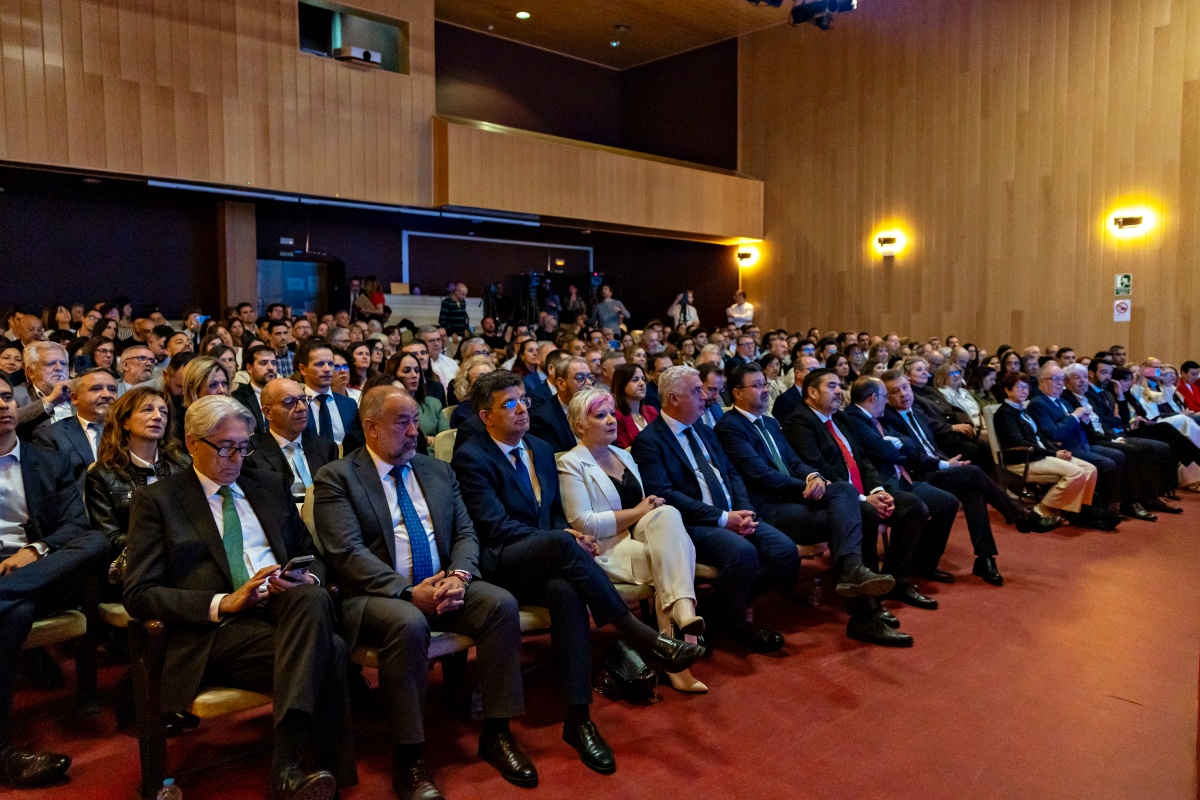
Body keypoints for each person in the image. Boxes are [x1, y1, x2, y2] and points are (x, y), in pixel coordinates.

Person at [452, 370, 702, 775]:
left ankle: (579, 719)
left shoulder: (539, 447)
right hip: (501, 561)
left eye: (523, 400)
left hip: (546, 557)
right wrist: (564, 537)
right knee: (562, 543)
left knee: (567, 594)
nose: (522, 409)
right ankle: (640, 634)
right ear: (485, 416)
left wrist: (567, 535)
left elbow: (552, 513)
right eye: (509, 404)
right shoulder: (471, 457)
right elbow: (493, 526)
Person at [124, 395, 357, 799]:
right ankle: (307, 770)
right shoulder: (159, 500)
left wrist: (306, 577)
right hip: (218, 631)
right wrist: (224, 602)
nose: (236, 458)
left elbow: (310, 553)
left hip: (283, 610)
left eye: (244, 446)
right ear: (193, 442)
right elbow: (139, 593)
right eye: (225, 447)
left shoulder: (267, 485)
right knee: (331, 650)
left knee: (312, 598)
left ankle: (286, 772)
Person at [315, 386, 534, 798]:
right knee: (408, 623)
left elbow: (466, 532)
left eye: (416, 421)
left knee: (500, 604)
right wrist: (406, 591)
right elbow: (347, 554)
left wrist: (460, 576)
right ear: (371, 427)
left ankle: (497, 732)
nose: (415, 431)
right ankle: (410, 758)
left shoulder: (437, 471)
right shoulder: (337, 477)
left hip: (443, 584)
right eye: (403, 423)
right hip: (377, 597)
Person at [714, 364, 904, 647]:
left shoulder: (769, 423)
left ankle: (857, 584)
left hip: (793, 500)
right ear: (737, 393)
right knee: (854, 515)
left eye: (765, 384)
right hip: (769, 509)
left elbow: (793, 461)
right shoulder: (729, 427)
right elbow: (761, 475)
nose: (764, 390)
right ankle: (864, 612)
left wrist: (814, 477)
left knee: (849, 496)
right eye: (757, 385)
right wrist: (806, 486)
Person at [631, 366, 799, 653]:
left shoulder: (705, 430)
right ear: (673, 398)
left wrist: (745, 511)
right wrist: (722, 518)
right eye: (697, 391)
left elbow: (731, 473)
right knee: (742, 553)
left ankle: (721, 610)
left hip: (733, 514)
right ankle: (737, 625)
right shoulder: (649, 441)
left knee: (785, 552)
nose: (707, 396)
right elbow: (665, 495)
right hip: (693, 524)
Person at [0, 376, 110, 789]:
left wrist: (37, 549)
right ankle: (4, 754)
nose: (3, 405)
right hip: (17, 590)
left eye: (6, 396)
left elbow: (75, 526)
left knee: (96, 541)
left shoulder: (47, 460)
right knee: (15, 615)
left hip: (39, 567)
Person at [558, 388, 707, 691]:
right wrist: (639, 510)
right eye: (600, 415)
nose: (611, 420)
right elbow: (583, 522)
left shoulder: (623, 454)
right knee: (672, 560)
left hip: (637, 536)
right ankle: (680, 646)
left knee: (667, 514)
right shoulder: (570, 463)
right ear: (579, 426)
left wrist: (648, 505)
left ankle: (680, 627)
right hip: (605, 548)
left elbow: (640, 505)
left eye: (612, 413)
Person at [876, 371, 1062, 583]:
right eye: (895, 391)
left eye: (905, 387)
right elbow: (910, 457)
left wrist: (946, 462)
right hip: (917, 476)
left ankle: (985, 558)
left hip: (937, 468)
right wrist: (945, 464)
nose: (903, 394)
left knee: (973, 492)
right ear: (886, 397)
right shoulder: (886, 419)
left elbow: (933, 443)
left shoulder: (916, 411)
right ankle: (1020, 517)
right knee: (973, 473)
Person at [781, 369, 936, 614]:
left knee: (913, 506)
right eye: (832, 386)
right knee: (867, 513)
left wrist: (877, 490)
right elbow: (818, 468)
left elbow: (862, 458)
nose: (839, 391)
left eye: (840, 385)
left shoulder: (840, 418)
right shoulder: (799, 423)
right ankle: (867, 598)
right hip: (832, 498)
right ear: (812, 392)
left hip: (864, 492)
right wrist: (863, 498)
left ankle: (896, 580)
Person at [85, 386, 191, 594]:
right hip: (137, 564)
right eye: (147, 410)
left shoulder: (183, 465)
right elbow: (110, 538)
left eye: (163, 412)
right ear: (125, 421)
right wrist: (164, 537)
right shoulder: (102, 474)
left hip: (185, 555)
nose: (157, 417)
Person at [1059, 364, 1180, 516]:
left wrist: (1120, 402)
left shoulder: (1091, 396)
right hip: (1094, 440)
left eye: (1084, 377)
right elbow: (1092, 428)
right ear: (1066, 381)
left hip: (1111, 433)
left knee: (1155, 448)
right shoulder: (1067, 399)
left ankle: (1151, 496)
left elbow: (1120, 419)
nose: (1083, 381)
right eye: (1077, 377)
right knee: (1130, 451)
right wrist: (1113, 438)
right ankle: (1131, 502)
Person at [991, 372, 1108, 527]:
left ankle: (1080, 511)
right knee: (1076, 473)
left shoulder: (1021, 410)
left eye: (1026, 387)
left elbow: (1039, 436)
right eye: (1019, 387)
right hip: (1023, 460)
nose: (1025, 391)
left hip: (1039, 454)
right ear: (1007, 390)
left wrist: (1055, 450)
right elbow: (1020, 442)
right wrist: (1053, 453)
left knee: (1090, 469)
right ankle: (1041, 509)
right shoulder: (1005, 413)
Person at [1028, 363, 1138, 521]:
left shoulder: (1060, 401)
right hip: (1065, 448)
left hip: (1082, 444)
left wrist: (1084, 420)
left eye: (1061, 379)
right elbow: (1053, 433)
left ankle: (1113, 505)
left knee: (1118, 455)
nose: (1059, 383)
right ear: (1041, 382)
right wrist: (1075, 416)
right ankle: (1101, 508)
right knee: (1107, 464)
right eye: (1055, 379)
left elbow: (1078, 424)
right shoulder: (1039, 403)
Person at [244, 379, 338, 504]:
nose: (301, 408)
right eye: (289, 402)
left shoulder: (326, 447)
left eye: (304, 400)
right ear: (268, 412)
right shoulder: (251, 451)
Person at [31, 368, 117, 496]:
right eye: (96, 389)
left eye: (112, 389)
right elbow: (50, 488)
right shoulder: (51, 436)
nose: (107, 395)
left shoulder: (130, 431)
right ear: (75, 398)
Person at [299, 340, 357, 449]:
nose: (327, 369)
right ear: (303, 369)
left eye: (330, 364)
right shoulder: (295, 404)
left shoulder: (349, 404)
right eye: (319, 364)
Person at [528, 355, 590, 453]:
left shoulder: (597, 409)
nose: (588, 383)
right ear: (561, 384)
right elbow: (556, 458)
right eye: (580, 377)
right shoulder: (542, 419)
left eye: (589, 377)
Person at [14, 342, 73, 435]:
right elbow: (10, 422)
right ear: (31, 372)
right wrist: (51, 400)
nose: (59, 368)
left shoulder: (79, 393)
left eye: (63, 363)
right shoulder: (16, 395)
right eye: (50, 363)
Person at [232, 344, 277, 435]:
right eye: (264, 363)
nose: (271, 368)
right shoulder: (237, 399)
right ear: (249, 368)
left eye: (274, 363)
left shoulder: (285, 395)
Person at [612, 363, 658, 449]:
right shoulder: (617, 417)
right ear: (621, 384)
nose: (642, 383)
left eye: (643, 379)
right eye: (635, 380)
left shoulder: (651, 411)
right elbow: (624, 450)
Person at [450, 356, 495, 429]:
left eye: (490, 376)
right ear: (468, 385)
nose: (487, 380)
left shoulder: (502, 406)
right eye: (480, 377)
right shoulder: (462, 413)